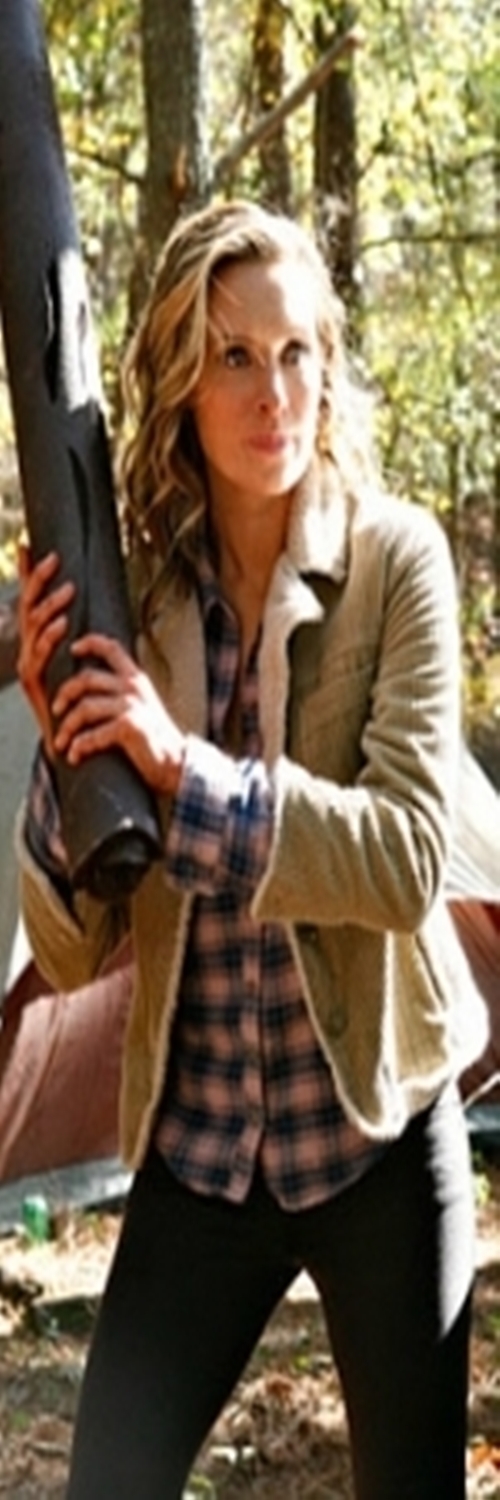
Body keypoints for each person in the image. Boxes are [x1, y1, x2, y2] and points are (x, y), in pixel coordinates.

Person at [16, 198, 482, 1500]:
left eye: (294, 352)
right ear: (182, 383)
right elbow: (71, 952)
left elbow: (405, 857)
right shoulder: (140, 600)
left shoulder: (397, 565)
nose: (272, 391)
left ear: (328, 365)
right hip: (203, 1155)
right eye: (233, 355)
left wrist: (184, 768)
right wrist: (68, 755)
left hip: (380, 1140)